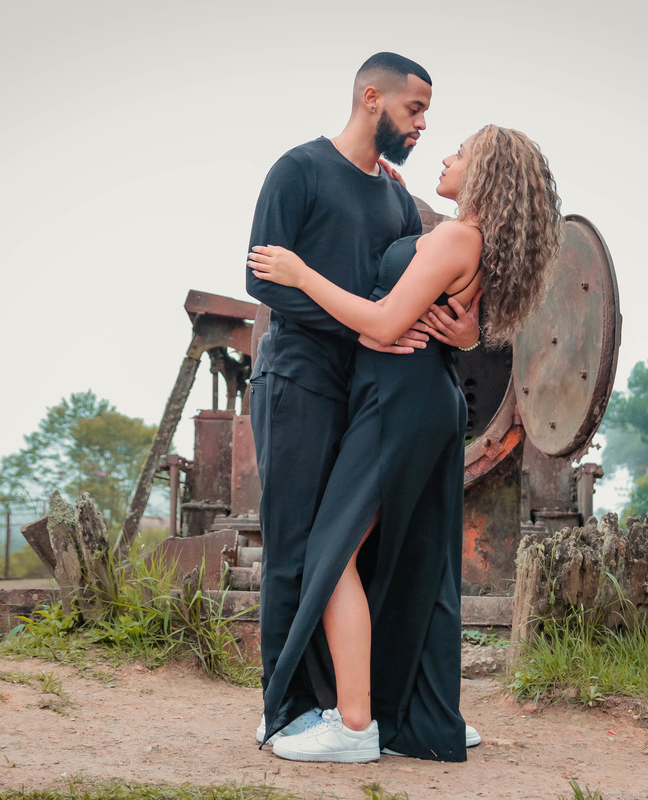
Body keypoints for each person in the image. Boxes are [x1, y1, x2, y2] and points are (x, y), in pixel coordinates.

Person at [248, 125, 562, 763]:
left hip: (399, 401)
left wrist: (302, 274)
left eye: (461, 152)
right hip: (421, 397)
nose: (445, 156)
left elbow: (387, 323)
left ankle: (354, 726)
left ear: (487, 173)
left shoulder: (455, 238)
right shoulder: (467, 238)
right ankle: (422, 717)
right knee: (421, 561)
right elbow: (444, 316)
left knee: (332, 554)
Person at [245, 53, 482, 750]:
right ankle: (286, 708)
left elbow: (423, 284)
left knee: (353, 553)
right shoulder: (297, 170)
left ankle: (353, 708)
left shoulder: (396, 199)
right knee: (294, 550)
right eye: (415, 109)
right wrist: (366, 329)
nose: (423, 125)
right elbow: (263, 279)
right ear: (372, 98)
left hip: (368, 395)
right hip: (299, 384)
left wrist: (466, 332)